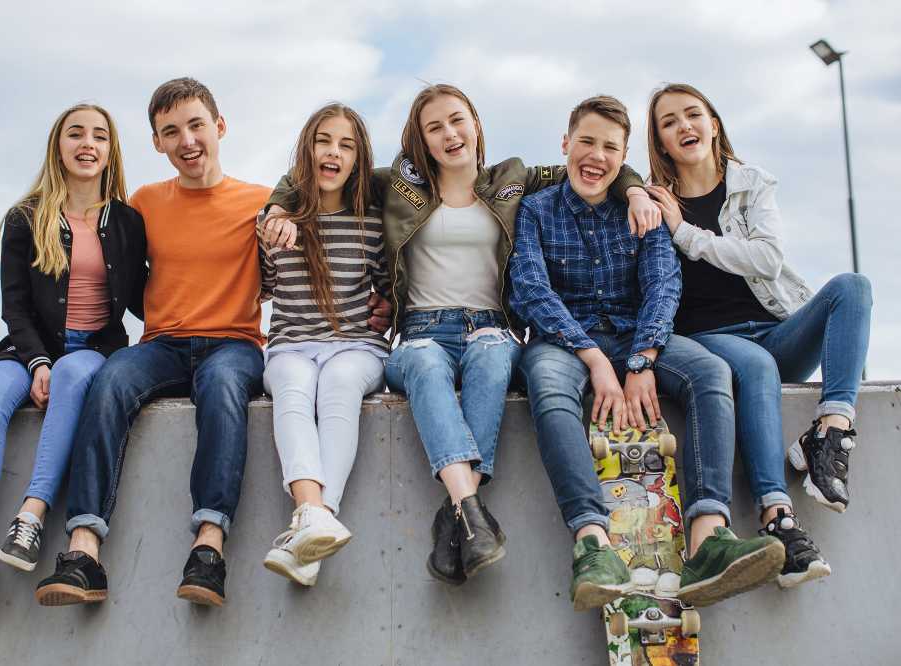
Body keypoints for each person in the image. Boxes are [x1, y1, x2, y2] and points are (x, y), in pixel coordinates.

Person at [262, 83, 660, 585]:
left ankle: (459, 512)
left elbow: (595, 163)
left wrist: (637, 189)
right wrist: (277, 207)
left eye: (457, 120)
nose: (449, 134)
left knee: (494, 361)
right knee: (426, 366)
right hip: (421, 332)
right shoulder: (397, 187)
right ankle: (471, 507)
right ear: (421, 141)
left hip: (490, 327)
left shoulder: (513, 180)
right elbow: (311, 173)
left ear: (475, 123)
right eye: (434, 128)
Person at [34, 78, 389, 608]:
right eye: (170, 132)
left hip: (233, 343)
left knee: (224, 390)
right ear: (157, 142)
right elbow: (115, 274)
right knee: (109, 382)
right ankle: (84, 549)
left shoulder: (261, 203)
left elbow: (312, 230)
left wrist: (380, 302)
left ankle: (209, 548)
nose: (187, 140)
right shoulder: (145, 204)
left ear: (219, 127)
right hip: (162, 343)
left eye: (197, 125)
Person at [512, 95, 785, 611]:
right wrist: (594, 358)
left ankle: (709, 538)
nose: (596, 156)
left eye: (610, 148)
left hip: (637, 335)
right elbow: (530, 290)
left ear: (624, 156)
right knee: (547, 387)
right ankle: (592, 546)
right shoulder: (536, 209)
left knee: (710, 371)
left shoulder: (643, 209)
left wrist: (643, 360)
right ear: (565, 143)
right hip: (564, 342)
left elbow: (663, 283)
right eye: (586, 142)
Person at [645, 83, 872, 587]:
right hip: (711, 339)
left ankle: (830, 432)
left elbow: (768, 260)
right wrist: (656, 209)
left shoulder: (751, 183)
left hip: (775, 327)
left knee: (852, 287)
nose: (684, 126)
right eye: (669, 122)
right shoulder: (655, 199)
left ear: (714, 123)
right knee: (755, 365)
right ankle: (778, 518)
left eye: (693, 114)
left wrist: (689, 235)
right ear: (659, 141)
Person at [0, 104, 146, 598]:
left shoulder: (126, 221)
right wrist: (36, 360)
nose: (87, 143)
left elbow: (147, 295)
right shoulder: (25, 217)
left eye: (99, 136)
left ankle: (31, 516)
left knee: (73, 379)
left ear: (110, 150)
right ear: (58, 146)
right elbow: (13, 305)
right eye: (75, 134)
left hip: (94, 347)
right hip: (27, 347)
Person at [259, 103, 390, 587]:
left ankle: (311, 517)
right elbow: (264, 287)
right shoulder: (271, 222)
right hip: (290, 344)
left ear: (359, 159)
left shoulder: (372, 224)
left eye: (346, 145)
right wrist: (278, 228)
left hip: (357, 346)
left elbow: (388, 292)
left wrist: (389, 309)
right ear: (307, 150)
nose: (333, 152)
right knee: (293, 385)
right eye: (324, 141)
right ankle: (314, 529)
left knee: (337, 384)